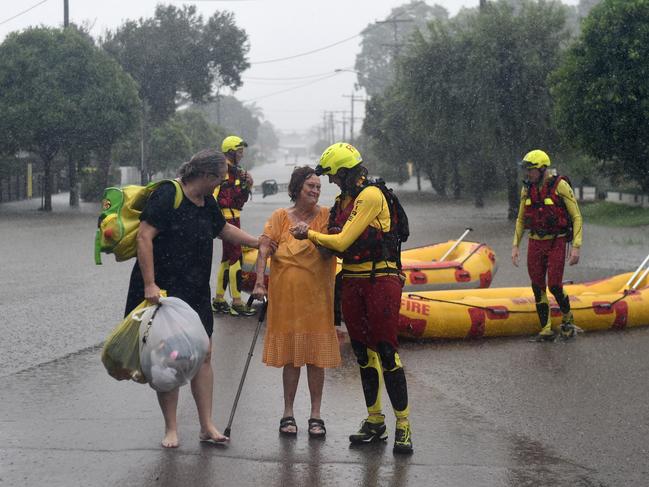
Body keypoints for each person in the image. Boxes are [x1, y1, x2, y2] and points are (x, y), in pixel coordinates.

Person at [124, 149, 264, 448]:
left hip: (196, 289)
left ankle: (207, 425)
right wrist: (149, 284)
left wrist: (256, 241)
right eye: (220, 178)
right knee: (169, 359)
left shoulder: (207, 201)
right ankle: (171, 428)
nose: (221, 184)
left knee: (204, 355)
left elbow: (222, 229)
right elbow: (144, 237)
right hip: (166, 291)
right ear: (206, 175)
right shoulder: (168, 195)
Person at [290, 142, 413, 454]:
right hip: (354, 280)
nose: (330, 181)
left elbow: (342, 240)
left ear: (346, 172)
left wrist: (309, 234)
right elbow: (333, 245)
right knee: (362, 352)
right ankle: (375, 421)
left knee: (386, 351)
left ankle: (404, 426)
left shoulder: (371, 196)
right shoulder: (341, 200)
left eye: (333, 175)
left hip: (381, 278)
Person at [252, 166, 341, 438]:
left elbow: (331, 250)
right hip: (286, 300)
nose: (315, 191)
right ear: (296, 189)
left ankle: (316, 415)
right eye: (309, 187)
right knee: (292, 358)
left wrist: (311, 236)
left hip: (317, 298)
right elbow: (264, 248)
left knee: (316, 357)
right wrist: (258, 283)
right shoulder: (280, 218)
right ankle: (287, 413)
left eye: (317, 187)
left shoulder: (326, 216)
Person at [511, 149, 583, 342]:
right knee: (537, 286)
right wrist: (515, 245)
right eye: (526, 169)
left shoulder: (561, 186)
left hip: (556, 241)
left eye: (531, 169)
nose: (527, 173)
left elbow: (576, 216)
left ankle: (568, 320)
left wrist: (576, 246)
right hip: (535, 242)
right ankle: (546, 329)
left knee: (554, 285)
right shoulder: (527, 189)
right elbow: (520, 220)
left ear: (542, 169)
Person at [212, 135, 256, 316]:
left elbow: (240, 198)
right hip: (226, 220)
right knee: (236, 258)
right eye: (239, 151)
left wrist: (248, 184)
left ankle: (219, 299)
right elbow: (213, 196)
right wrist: (214, 220)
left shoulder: (237, 172)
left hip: (234, 217)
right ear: (230, 152)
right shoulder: (222, 171)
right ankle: (237, 302)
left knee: (226, 259)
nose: (242, 155)